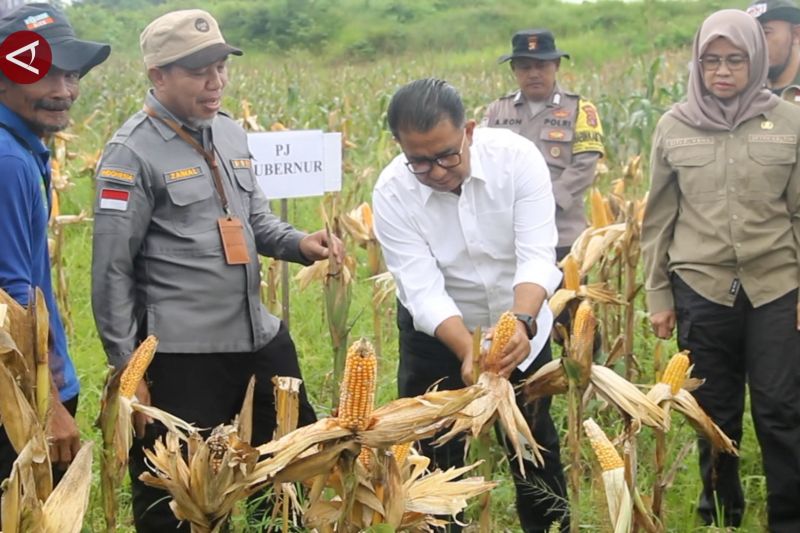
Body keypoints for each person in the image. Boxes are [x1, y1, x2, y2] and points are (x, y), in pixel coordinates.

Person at [90, 9, 341, 532]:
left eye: (221, 66)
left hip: (259, 339)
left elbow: (254, 220)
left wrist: (301, 243)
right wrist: (128, 376)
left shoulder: (228, 134)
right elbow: (110, 273)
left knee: (289, 477)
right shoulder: (129, 154)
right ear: (158, 75)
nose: (216, 81)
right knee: (183, 502)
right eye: (199, 70)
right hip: (184, 357)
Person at [373, 78, 568, 533]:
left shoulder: (517, 159)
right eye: (419, 161)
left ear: (470, 131)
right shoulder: (392, 191)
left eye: (446, 155)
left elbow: (537, 254)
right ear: (400, 147)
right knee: (434, 451)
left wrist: (520, 323)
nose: (437, 171)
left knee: (532, 444)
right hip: (440, 334)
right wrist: (465, 349)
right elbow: (422, 289)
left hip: (520, 325)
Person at [642, 9, 800, 531]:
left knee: (779, 409)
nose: (723, 71)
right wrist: (659, 296)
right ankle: (722, 515)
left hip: (776, 285)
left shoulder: (790, 122)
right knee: (713, 414)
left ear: (755, 59)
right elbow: (658, 218)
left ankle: (788, 517)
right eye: (712, 61)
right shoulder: (674, 125)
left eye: (735, 60)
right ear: (698, 63)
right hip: (702, 289)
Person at [0, 1, 109, 487]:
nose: (63, 91)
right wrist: (46, 404)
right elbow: (9, 298)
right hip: (19, 397)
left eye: (70, 76)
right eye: (42, 74)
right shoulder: (8, 162)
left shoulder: (21, 149)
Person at [482, 29, 604, 260]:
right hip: (509, 236)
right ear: (513, 70)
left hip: (563, 235)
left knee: (568, 296)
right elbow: (483, 163)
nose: (534, 74)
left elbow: (584, 167)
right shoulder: (497, 111)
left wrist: (544, 203)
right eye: (525, 67)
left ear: (556, 65)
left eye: (542, 66)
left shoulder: (580, 109)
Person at [747, 0, 800, 99]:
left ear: (796, 34)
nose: (756, 43)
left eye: (765, 33)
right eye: (751, 35)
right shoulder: (744, 90)